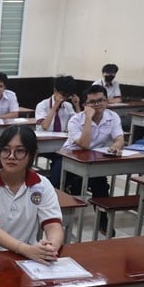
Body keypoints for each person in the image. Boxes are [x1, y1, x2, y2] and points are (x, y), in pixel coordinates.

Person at [0, 125, 63, 265]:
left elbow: (53, 225)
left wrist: (50, 248)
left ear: (34, 155)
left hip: (27, 253)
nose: (11, 156)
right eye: (5, 150)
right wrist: (25, 249)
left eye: (20, 151)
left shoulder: (42, 184)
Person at [51, 85, 125, 236]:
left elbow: (119, 138)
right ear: (85, 104)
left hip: (93, 159)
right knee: (55, 184)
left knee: (102, 187)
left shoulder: (113, 117)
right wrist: (88, 118)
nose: (97, 105)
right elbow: (84, 144)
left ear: (106, 101)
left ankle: (102, 221)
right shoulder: (75, 120)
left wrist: (116, 147)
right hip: (69, 157)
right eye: (92, 102)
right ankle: (54, 219)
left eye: (100, 101)